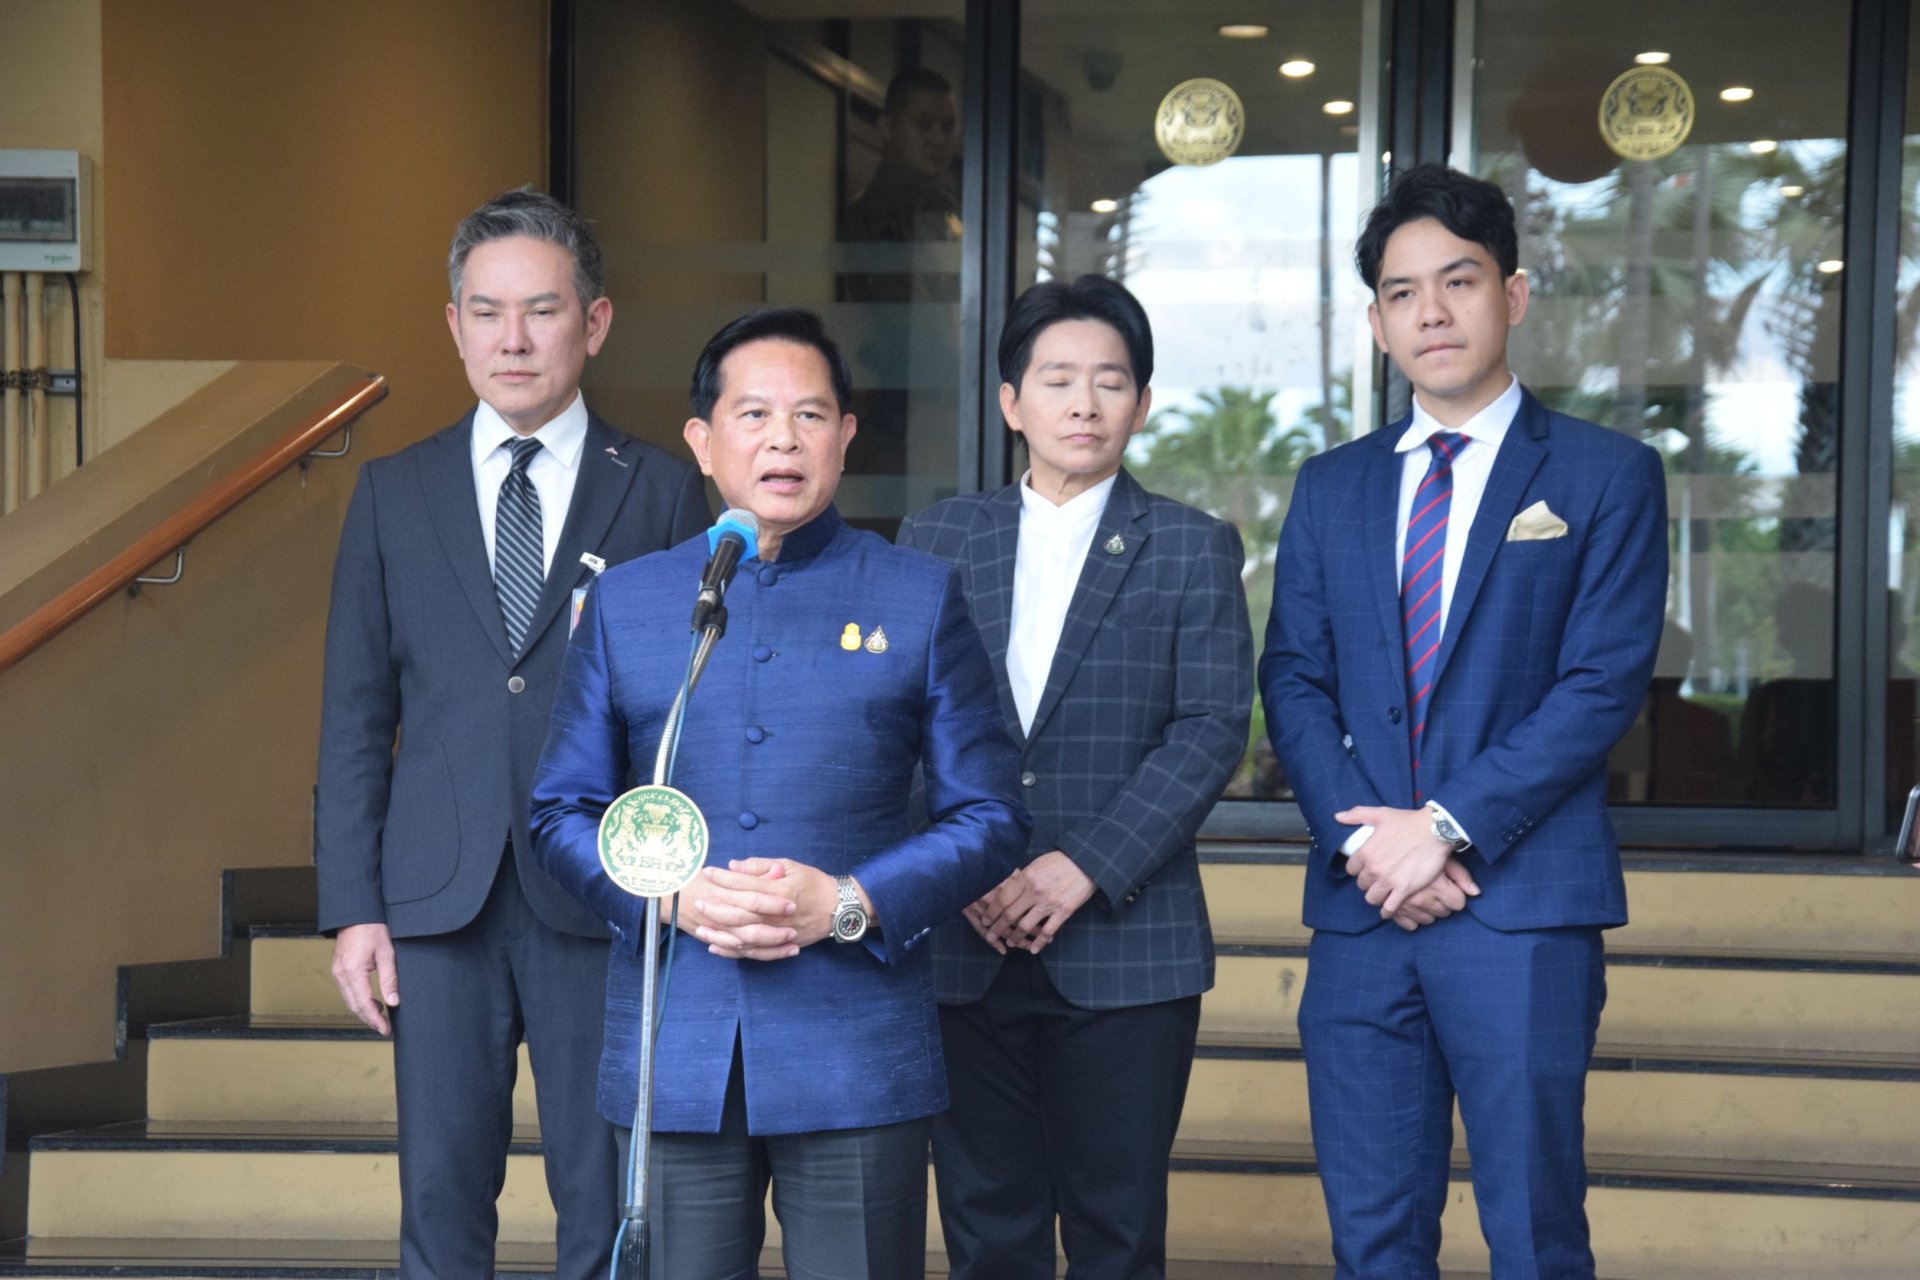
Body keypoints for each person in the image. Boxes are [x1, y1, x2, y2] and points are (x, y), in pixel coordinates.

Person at [529, 306, 1029, 1280]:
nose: (783, 440)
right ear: (702, 440)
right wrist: (667, 896)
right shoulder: (629, 602)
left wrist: (847, 900)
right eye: (753, 414)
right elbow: (561, 812)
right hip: (677, 1040)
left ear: (846, 434)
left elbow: (992, 813)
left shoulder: (917, 594)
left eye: (810, 415)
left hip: (856, 1047)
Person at [1258, 164, 1668, 1278]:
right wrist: (1368, 843)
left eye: (1459, 280)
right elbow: (1293, 679)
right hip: (1363, 916)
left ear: (1514, 294)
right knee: (1374, 1240)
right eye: (1402, 292)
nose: (1431, 311)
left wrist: (1440, 828)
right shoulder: (1331, 486)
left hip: (1520, 910)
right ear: (1378, 323)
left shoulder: (1606, 474)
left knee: (1534, 1235)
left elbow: (1600, 685)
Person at [315, 187, 710, 1278]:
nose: (514, 339)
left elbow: (694, 713)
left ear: (595, 322)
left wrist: (681, 885)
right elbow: (355, 717)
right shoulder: (393, 493)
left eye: (542, 310)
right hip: (435, 901)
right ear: (454, 326)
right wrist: (353, 908)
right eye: (486, 313)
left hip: (605, 893)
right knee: (441, 1199)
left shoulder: (664, 492)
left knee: (609, 1199)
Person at [898, 275, 1252, 1279]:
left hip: (1125, 943)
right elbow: (896, 722)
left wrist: (1081, 866)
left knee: (1117, 1231)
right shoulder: (936, 537)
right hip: (964, 940)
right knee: (986, 1228)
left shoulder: (1191, 544)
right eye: (1057, 380)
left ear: (1143, 403)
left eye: (1110, 381)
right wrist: (962, 869)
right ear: (1012, 402)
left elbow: (1209, 729)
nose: (1084, 403)